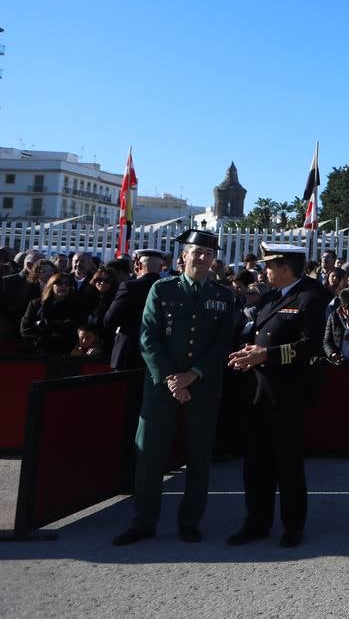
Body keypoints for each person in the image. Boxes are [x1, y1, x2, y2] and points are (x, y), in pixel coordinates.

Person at [112, 230, 237, 545]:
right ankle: (144, 520)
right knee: (150, 456)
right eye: (197, 252)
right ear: (184, 256)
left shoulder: (224, 295)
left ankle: (190, 521)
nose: (203, 258)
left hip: (203, 387)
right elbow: (148, 337)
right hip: (161, 387)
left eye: (209, 254)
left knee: (198, 457)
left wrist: (193, 374)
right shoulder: (161, 289)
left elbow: (223, 342)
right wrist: (170, 378)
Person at [225, 242, 328, 548]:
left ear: (285, 268)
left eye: (270, 265)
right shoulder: (271, 298)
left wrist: (265, 355)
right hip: (257, 391)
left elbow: (309, 345)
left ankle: (292, 525)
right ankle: (256, 521)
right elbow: (255, 335)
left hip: (286, 394)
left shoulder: (311, 297)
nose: (265, 270)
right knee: (256, 463)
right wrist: (250, 352)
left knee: (287, 463)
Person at [102, 248, 168, 371]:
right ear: (160, 267)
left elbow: (110, 320)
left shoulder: (129, 287)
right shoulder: (169, 289)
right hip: (159, 353)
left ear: (138, 265)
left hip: (129, 353)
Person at [20, 272, 87, 354]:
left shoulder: (76, 306)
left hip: (64, 351)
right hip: (39, 350)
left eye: (67, 283)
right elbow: (25, 328)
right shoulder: (36, 304)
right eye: (59, 283)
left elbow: (71, 324)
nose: (63, 286)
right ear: (51, 285)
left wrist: (46, 325)